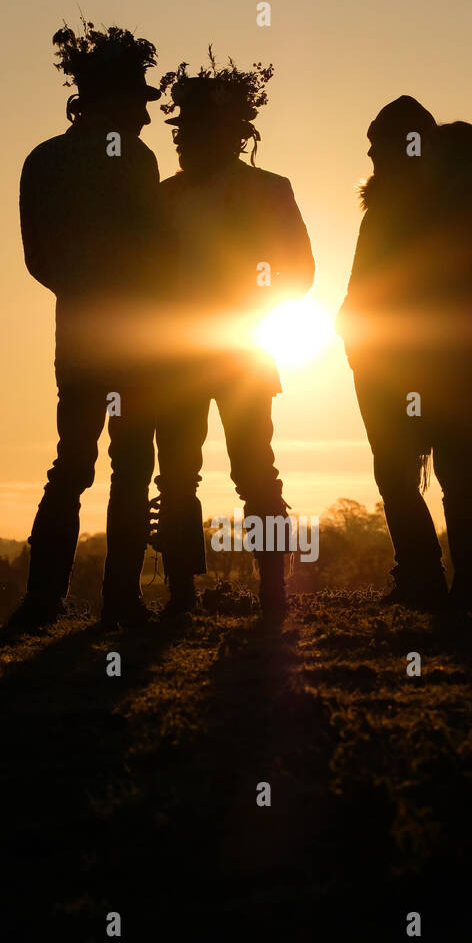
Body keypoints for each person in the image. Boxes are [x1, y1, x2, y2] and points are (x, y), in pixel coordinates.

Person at [338, 101, 472, 608]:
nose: (371, 154)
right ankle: (466, 581)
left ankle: (427, 574)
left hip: (400, 363)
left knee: (406, 472)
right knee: (452, 473)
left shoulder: (414, 203)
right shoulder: (464, 203)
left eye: (380, 144)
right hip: (436, 363)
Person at [11, 20, 163, 629]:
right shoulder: (136, 160)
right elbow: (155, 253)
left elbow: (36, 259)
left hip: (76, 341)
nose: (148, 117)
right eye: (140, 101)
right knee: (130, 470)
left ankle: (42, 601)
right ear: (114, 99)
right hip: (136, 343)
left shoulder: (43, 160)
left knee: (71, 465)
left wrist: (80, 292)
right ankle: (119, 600)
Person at [153, 51, 314, 622]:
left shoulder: (270, 189)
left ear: (224, 133)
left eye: (189, 129)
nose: (179, 140)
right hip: (175, 357)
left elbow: (301, 271)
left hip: (242, 347)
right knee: (175, 473)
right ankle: (181, 596)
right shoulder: (162, 197)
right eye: (179, 130)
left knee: (253, 469)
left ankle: (274, 592)